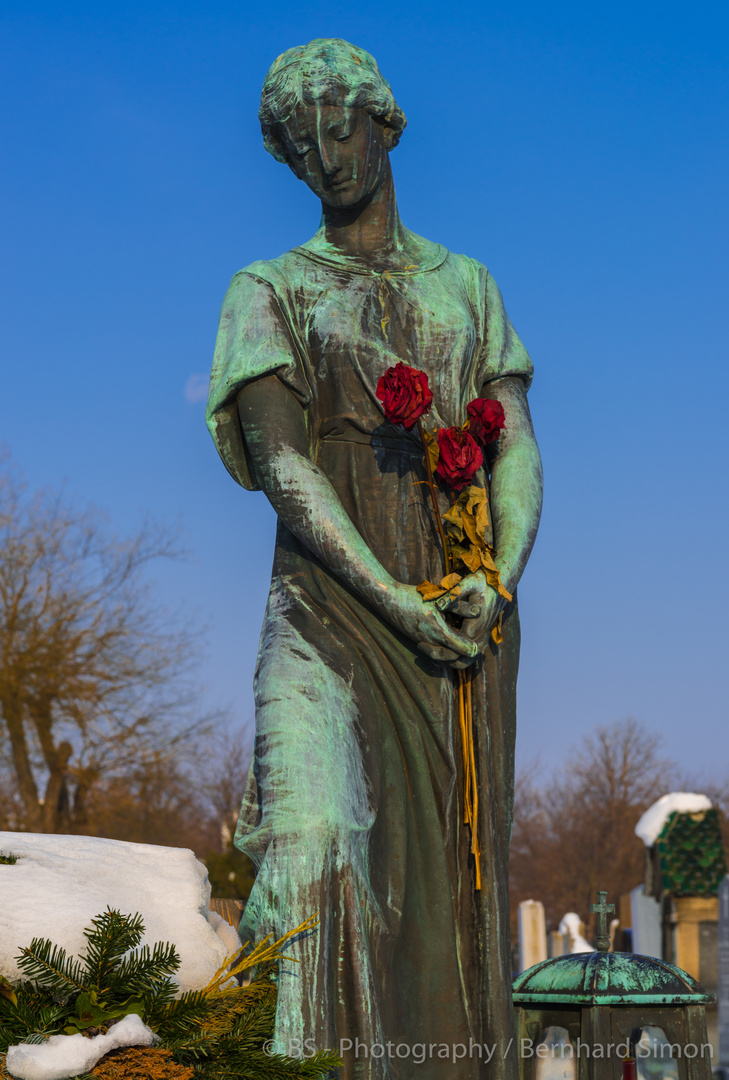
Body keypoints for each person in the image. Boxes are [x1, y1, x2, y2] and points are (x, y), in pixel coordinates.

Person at [206, 38, 543, 1080]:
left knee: (449, 902)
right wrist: (388, 597)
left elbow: (516, 443)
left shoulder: (467, 286)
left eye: (339, 127)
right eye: (301, 144)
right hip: (327, 611)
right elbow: (281, 462)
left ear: (381, 122)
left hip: (456, 613)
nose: (327, 157)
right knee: (307, 852)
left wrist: (497, 577)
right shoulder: (269, 288)